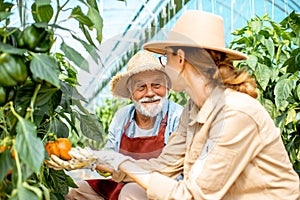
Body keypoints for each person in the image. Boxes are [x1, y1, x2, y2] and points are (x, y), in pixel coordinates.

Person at [49, 11, 300, 199]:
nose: (164, 65)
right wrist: (106, 158)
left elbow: (193, 196)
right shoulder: (194, 108)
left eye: (164, 57)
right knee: (129, 192)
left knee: (133, 193)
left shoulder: (236, 113)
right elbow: (163, 166)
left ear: (180, 59)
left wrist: (121, 162)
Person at [65, 50, 183, 199]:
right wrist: (93, 160)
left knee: (131, 192)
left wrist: (124, 171)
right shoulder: (122, 117)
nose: (150, 93)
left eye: (156, 85)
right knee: (77, 190)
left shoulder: (177, 116)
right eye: (141, 87)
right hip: (122, 181)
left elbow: (172, 170)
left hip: (160, 185)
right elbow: (110, 154)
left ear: (167, 88)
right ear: (130, 93)